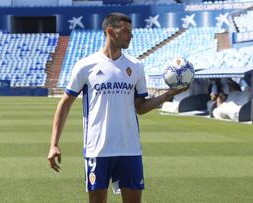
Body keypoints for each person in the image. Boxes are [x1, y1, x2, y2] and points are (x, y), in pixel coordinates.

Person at [47, 12, 188, 203]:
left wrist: (167, 95)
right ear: (110, 32)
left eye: (131, 31)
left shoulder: (136, 66)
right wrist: (54, 144)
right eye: (126, 31)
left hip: (130, 149)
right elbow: (64, 104)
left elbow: (140, 107)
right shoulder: (85, 66)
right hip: (98, 149)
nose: (130, 35)